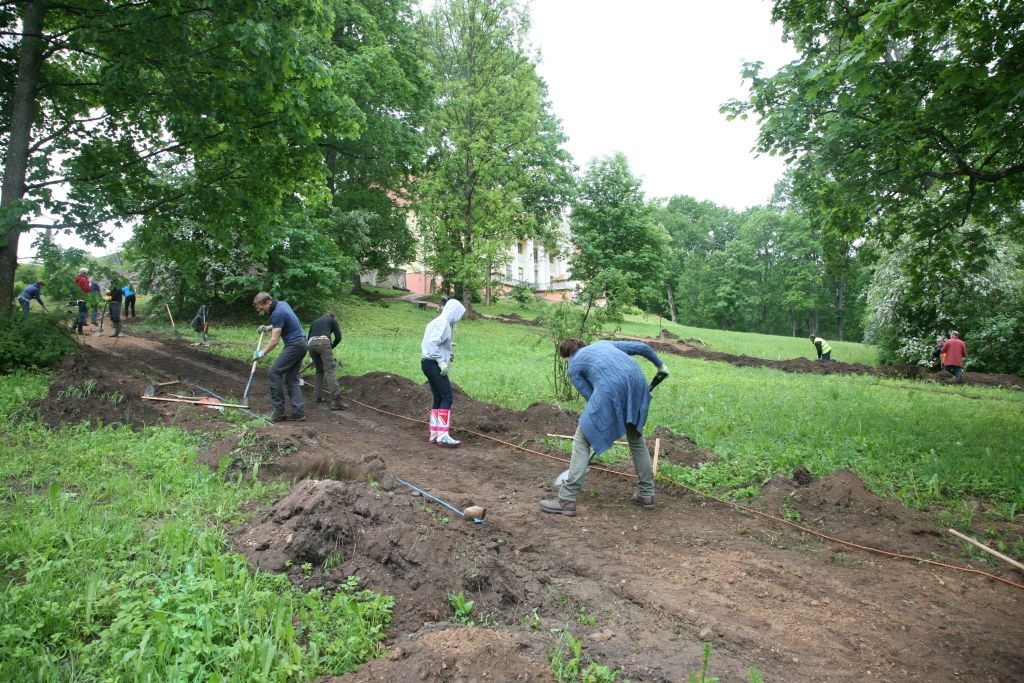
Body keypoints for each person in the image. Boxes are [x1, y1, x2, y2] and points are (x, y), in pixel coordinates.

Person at [540, 339, 669, 517]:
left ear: (567, 356)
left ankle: (566, 499)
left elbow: (591, 398)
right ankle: (646, 494)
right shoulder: (604, 344)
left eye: (565, 360)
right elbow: (642, 348)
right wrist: (660, 365)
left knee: (582, 438)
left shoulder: (574, 365)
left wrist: (609, 420)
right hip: (638, 383)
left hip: (612, 388)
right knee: (636, 439)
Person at [253, 291, 307, 422]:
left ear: (268, 302)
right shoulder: (282, 304)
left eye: (262, 307)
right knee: (291, 378)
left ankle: (278, 411)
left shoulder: (277, 312)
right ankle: (298, 413)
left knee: (274, 372)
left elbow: (274, 340)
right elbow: (282, 322)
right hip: (302, 344)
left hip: (294, 345)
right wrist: (268, 327)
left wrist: (261, 353)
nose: (262, 311)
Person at [421, 297, 466, 446]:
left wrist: (447, 353)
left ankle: (434, 433)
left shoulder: (437, 321)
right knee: (447, 397)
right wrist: (441, 362)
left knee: (438, 398)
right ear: (454, 312)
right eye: (458, 315)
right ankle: (443, 435)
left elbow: (438, 343)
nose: (458, 319)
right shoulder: (442, 323)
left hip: (427, 363)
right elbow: (432, 343)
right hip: (433, 364)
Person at [306, 310, 348, 410]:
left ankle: (317, 398)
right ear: (332, 317)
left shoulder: (315, 322)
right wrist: (331, 346)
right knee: (330, 370)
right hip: (324, 343)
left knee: (319, 371)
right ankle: (335, 401)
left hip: (311, 345)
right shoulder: (332, 320)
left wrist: (312, 355)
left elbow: (308, 338)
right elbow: (338, 337)